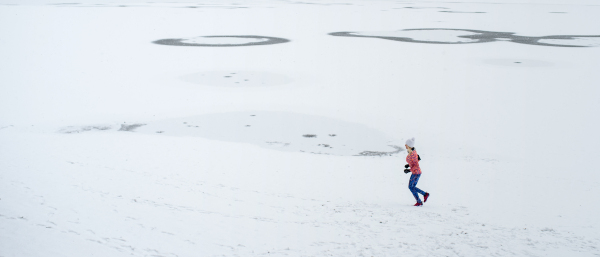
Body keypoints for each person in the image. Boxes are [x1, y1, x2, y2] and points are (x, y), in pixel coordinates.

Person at [404, 137, 429, 206]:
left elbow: (416, 165)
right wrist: (408, 165)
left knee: (411, 187)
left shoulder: (413, 154)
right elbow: (415, 162)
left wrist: (409, 170)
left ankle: (421, 199)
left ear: (409, 145)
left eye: (406, 144)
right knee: (411, 187)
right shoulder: (412, 152)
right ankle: (422, 197)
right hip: (415, 172)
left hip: (416, 173)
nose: (405, 145)